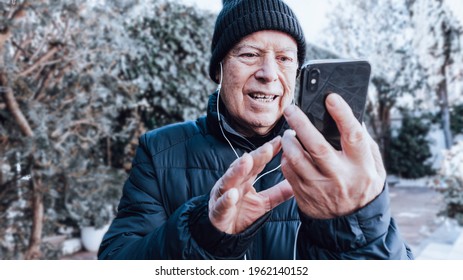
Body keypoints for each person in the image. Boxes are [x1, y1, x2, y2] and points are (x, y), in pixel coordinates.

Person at [98, 0, 413, 260]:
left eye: (284, 58)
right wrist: (204, 232)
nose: (269, 73)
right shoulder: (159, 150)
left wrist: (354, 223)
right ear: (218, 69)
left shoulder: (334, 159)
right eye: (249, 54)